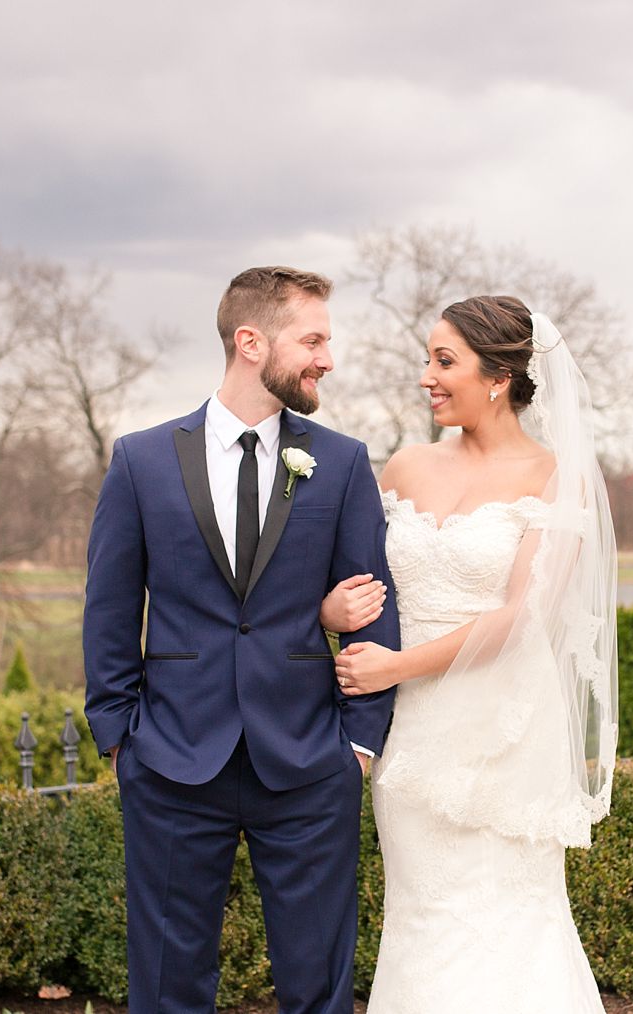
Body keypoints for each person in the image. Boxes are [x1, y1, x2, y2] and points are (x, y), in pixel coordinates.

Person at [82, 266, 399, 1014]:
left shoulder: (343, 461)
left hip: (309, 761)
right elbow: (109, 607)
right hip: (171, 762)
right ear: (251, 341)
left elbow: (374, 603)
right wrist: (121, 738)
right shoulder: (142, 461)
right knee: (166, 984)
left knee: (318, 985)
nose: (326, 358)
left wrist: (357, 746)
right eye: (313, 339)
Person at [329, 295, 619, 1012]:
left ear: (497, 376)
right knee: (424, 916)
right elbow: (354, 579)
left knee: (511, 918)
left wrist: (394, 668)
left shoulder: (556, 477)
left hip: (504, 728)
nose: (426, 375)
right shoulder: (402, 467)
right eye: (428, 358)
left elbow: (522, 616)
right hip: (413, 731)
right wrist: (330, 611)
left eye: (444, 360)